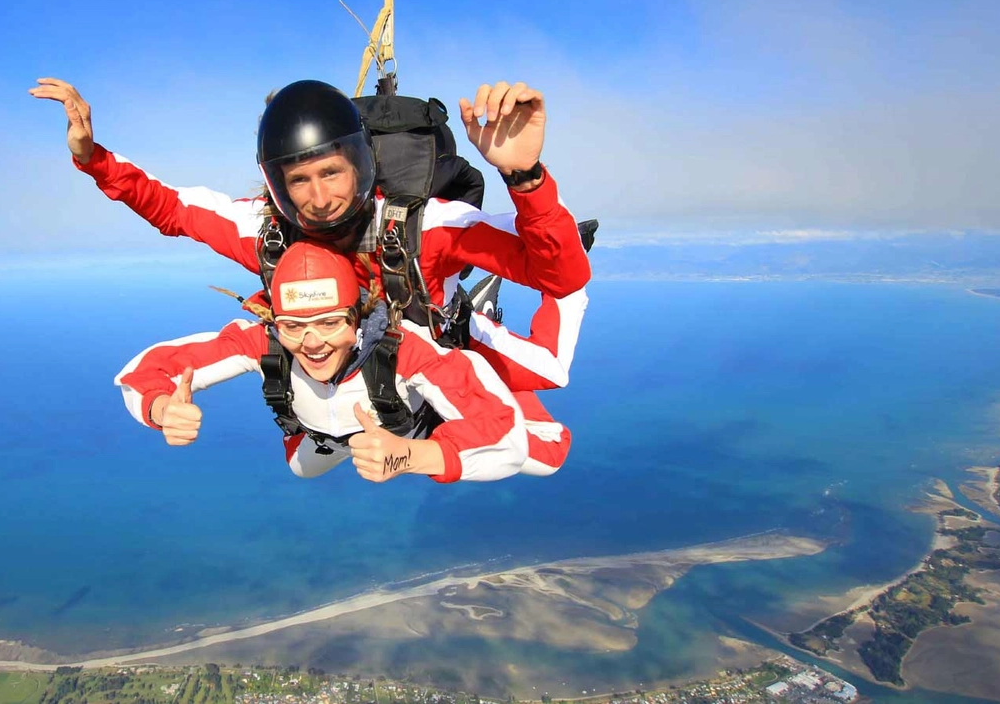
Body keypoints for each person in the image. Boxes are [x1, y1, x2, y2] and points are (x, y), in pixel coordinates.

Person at [29, 77, 593, 392]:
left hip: (432, 338)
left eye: (331, 173)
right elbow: (170, 208)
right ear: (276, 183)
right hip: (354, 357)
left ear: (360, 164)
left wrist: (524, 177)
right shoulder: (263, 229)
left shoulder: (427, 226)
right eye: (299, 180)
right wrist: (92, 157)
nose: (319, 199)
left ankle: (484, 313)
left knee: (551, 373)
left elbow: (560, 277)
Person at [115, 242, 572, 483]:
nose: (312, 343)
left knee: (548, 454)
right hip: (329, 438)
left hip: (415, 429)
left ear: (358, 317)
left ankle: (547, 303)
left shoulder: (404, 349)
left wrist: (412, 457)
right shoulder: (263, 340)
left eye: (330, 323)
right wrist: (160, 410)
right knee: (300, 468)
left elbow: (503, 434)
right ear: (276, 321)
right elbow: (144, 372)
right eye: (294, 327)